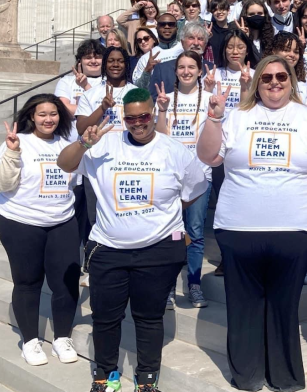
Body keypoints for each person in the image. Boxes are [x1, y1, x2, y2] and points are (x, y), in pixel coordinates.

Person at [197, 56, 307, 392]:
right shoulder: (238, 117)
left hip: (296, 230)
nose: (275, 83)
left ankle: (284, 376)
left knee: (283, 305)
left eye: (281, 77)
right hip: (239, 228)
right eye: (267, 78)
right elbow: (208, 156)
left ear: (291, 81)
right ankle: (246, 375)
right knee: (243, 305)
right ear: (257, 82)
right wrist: (214, 119)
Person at [57, 88, 207, 392]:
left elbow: (191, 193)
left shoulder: (175, 151)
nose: (138, 123)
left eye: (144, 117)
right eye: (131, 118)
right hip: (109, 249)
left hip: (159, 251)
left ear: (153, 114)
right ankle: (105, 376)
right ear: (123, 118)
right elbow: (65, 163)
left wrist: (158, 217)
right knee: (106, 318)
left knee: (149, 317)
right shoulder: (104, 144)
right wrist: (85, 141)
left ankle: (146, 380)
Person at [0, 94, 79, 366]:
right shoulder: (18, 142)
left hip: (62, 220)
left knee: (66, 281)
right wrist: (12, 152)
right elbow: (3, 184)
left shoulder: (68, 145)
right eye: (42, 114)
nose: (48, 119)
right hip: (19, 221)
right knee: (28, 282)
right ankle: (30, 341)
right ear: (31, 117)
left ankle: (62, 337)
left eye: (53, 113)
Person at [154, 51, 214, 309]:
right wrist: (163, 110)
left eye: (192, 67)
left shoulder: (210, 99)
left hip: (200, 176)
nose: (187, 71)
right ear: (176, 71)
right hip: (171, 178)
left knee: (196, 233)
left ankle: (194, 285)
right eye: (182, 67)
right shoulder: (166, 99)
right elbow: (159, 137)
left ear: (200, 70)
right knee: (172, 234)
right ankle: (167, 287)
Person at [75, 47, 137, 137]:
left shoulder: (136, 92)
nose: (116, 64)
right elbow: (81, 129)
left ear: (126, 64)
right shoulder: (89, 94)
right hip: (97, 149)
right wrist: (102, 108)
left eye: (120, 61)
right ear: (104, 64)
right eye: (111, 61)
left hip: (128, 148)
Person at [145, 22, 210, 99]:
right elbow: (153, 99)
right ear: (182, 42)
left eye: (200, 39)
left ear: (205, 44)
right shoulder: (162, 69)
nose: (196, 43)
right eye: (191, 38)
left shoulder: (213, 69)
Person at [267, 31, 307, 111]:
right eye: (286, 50)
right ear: (274, 51)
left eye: (296, 52)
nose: (292, 55)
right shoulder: (263, 83)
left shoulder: (302, 87)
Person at [209, 29, 256, 113]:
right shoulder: (213, 74)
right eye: (230, 47)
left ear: (247, 51)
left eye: (240, 47)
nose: (235, 52)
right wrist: (207, 88)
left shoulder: (256, 75)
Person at [55, 40, 105, 116]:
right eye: (88, 58)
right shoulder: (66, 81)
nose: (93, 61)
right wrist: (96, 111)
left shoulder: (109, 82)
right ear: (80, 61)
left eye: (98, 57)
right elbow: (62, 107)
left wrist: (86, 86)